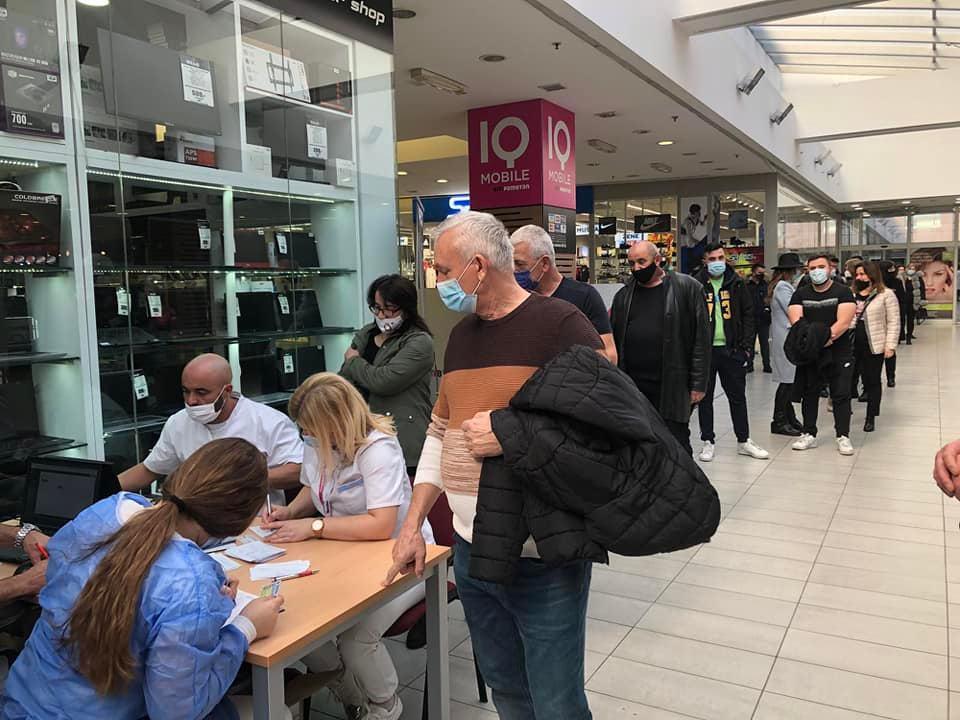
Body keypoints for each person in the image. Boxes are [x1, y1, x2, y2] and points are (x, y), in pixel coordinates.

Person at [384, 211, 603, 720]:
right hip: (470, 549)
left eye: (441, 269)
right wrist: (413, 525)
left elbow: (603, 429)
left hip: (540, 555)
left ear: (477, 267)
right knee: (506, 689)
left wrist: (510, 431)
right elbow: (441, 432)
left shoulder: (561, 325)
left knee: (556, 702)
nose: (436, 281)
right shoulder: (460, 337)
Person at [0, 439, 286, 720]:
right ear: (242, 521)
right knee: (274, 711)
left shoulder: (108, 510)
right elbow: (176, 712)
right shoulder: (191, 583)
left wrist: (204, 601)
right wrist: (246, 627)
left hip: (23, 702)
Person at [262, 373, 433, 720]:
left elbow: (380, 524)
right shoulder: (319, 443)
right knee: (297, 627)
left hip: (401, 558)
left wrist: (312, 527)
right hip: (343, 553)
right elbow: (314, 487)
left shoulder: (378, 447)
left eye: (311, 429)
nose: (306, 437)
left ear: (335, 423)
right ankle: (352, 696)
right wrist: (289, 512)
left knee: (356, 640)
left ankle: (386, 706)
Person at [119, 354, 303, 509]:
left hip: (251, 523)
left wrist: (239, 480)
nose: (191, 401)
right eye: (186, 391)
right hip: (192, 522)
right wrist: (103, 489)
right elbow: (150, 469)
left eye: (201, 392)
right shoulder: (179, 422)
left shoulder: (268, 421)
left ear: (227, 391)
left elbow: (298, 471)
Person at [610, 240, 711, 455]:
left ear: (657, 260)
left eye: (641, 261)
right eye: (632, 263)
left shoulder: (687, 288)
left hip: (672, 384)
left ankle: (683, 488)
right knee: (640, 445)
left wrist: (698, 383)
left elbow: (701, 340)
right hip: (634, 386)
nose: (636, 268)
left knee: (676, 445)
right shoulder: (624, 295)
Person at [341, 275, 435, 476]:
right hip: (362, 436)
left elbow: (384, 381)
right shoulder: (366, 334)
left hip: (402, 439)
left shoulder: (419, 342)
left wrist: (353, 361)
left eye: (389, 308)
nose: (382, 315)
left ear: (406, 308)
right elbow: (343, 380)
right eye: (376, 308)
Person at [693, 244, 768, 462]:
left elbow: (748, 315)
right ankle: (708, 441)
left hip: (732, 351)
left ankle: (743, 440)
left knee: (737, 398)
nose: (718, 262)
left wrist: (745, 349)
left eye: (721, 257)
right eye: (713, 258)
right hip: (705, 352)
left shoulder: (736, 283)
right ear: (705, 261)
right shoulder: (696, 284)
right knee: (704, 399)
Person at [510, 224, 617, 364]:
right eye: (511, 263)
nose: (513, 270)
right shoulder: (516, 299)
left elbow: (610, 356)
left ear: (544, 264)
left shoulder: (584, 296)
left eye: (519, 264)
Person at [788, 254, 857, 456]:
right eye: (813, 268)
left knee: (841, 393)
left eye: (821, 266)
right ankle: (809, 433)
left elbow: (843, 322)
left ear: (829, 269)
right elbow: (796, 320)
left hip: (839, 351)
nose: (817, 271)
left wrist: (825, 339)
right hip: (811, 353)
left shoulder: (843, 292)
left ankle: (843, 435)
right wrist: (812, 342)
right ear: (807, 271)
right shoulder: (800, 294)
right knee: (810, 392)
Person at [850, 262, 899, 432]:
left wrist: (890, 345)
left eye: (862, 274)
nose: (859, 277)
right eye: (857, 274)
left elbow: (893, 321)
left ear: (872, 274)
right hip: (852, 343)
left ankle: (871, 416)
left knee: (872, 381)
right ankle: (845, 410)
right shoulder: (852, 293)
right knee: (849, 378)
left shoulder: (886, 295)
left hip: (874, 344)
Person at [768, 253, 803, 436]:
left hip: (784, 338)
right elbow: (793, 311)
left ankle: (789, 418)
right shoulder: (783, 288)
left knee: (788, 382)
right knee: (786, 382)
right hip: (785, 340)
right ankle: (779, 421)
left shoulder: (783, 286)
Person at [879, 261, 904, 387]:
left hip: (890, 321)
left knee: (890, 351)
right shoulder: (876, 284)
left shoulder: (897, 282)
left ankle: (891, 377)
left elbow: (902, 301)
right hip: (877, 321)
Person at [746, 263, 772, 373]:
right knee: (750, 343)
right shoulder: (746, 285)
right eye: (759, 273)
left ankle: (767, 365)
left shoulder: (765, 285)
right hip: (750, 319)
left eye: (763, 273)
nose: (761, 275)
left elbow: (768, 299)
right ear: (753, 272)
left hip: (763, 319)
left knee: (764, 343)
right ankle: (749, 365)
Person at [679, 202, 708, 274]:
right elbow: (690, 236)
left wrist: (705, 219)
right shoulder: (687, 222)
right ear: (695, 212)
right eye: (698, 212)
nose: (699, 213)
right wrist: (698, 242)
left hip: (689, 245)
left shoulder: (695, 219)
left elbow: (701, 224)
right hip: (684, 246)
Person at [902, 263, 925, 344]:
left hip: (913, 302)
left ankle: (909, 337)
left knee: (910, 320)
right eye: (910, 267)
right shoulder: (902, 277)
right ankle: (901, 336)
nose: (912, 269)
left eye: (913, 267)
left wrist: (922, 301)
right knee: (902, 320)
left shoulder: (918, 278)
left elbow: (922, 289)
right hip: (903, 301)